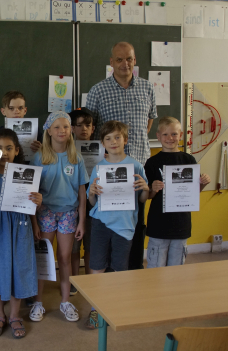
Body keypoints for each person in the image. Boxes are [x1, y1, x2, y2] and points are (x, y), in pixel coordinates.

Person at [85, 41, 157, 270]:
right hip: (108, 171)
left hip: (137, 169)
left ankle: (129, 280)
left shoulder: (147, 87)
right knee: (104, 229)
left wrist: (131, 156)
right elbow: (91, 128)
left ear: (135, 61)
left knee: (135, 227)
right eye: (119, 59)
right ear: (111, 62)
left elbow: (150, 121)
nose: (124, 64)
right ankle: (103, 291)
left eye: (129, 59)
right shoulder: (98, 90)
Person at [0, 129, 42, 339]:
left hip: (19, 227)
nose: (4, 152)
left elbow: (31, 205)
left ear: (17, 150)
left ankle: (14, 315)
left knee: (18, 268)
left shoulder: (26, 172)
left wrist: (37, 205)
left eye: (9, 148)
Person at [85, 120, 149, 328]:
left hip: (125, 225)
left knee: (120, 268)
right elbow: (92, 202)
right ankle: (96, 309)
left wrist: (145, 189)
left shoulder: (135, 165)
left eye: (117, 137)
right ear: (103, 142)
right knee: (96, 266)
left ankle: (116, 307)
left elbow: (141, 200)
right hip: (101, 222)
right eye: (108, 138)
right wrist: (92, 193)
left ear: (125, 140)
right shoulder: (98, 168)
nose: (113, 142)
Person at [30, 111, 89, 323]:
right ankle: (38, 302)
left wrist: (81, 220)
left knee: (64, 258)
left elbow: (82, 192)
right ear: (48, 130)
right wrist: (34, 221)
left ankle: (65, 301)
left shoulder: (76, 157)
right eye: (57, 127)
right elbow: (33, 193)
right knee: (44, 259)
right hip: (45, 212)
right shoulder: (40, 158)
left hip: (68, 213)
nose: (61, 131)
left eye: (65, 126)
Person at [144, 117, 211, 268]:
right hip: (158, 224)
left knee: (176, 269)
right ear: (158, 136)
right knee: (156, 268)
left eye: (174, 134)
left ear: (181, 135)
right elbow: (146, 196)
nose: (170, 138)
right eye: (166, 134)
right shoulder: (152, 162)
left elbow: (193, 193)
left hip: (181, 224)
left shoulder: (188, 159)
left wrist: (202, 184)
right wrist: (152, 189)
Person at [68, 108, 95, 296]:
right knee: (74, 247)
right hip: (74, 202)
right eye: (79, 125)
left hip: (95, 202)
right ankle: (74, 282)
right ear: (72, 129)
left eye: (88, 125)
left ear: (93, 128)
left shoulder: (103, 149)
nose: (84, 129)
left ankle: (90, 282)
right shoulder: (68, 150)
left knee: (92, 245)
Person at [0, 90, 42, 160]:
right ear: (3, 111)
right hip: (3, 169)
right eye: (11, 108)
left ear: (25, 110)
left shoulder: (36, 131)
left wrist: (41, 150)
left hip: (29, 167)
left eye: (20, 108)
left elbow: (43, 158)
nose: (16, 111)